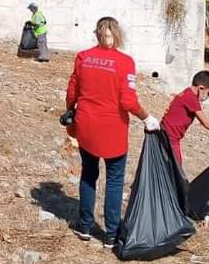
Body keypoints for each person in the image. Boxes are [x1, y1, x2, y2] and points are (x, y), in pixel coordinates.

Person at [65, 16, 159, 248]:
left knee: (88, 174)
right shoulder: (124, 62)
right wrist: (147, 118)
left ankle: (85, 226)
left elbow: (72, 91)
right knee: (114, 180)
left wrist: (70, 116)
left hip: (86, 126)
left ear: (97, 33)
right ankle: (111, 233)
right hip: (113, 131)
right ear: (117, 34)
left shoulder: (83, 57)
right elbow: (128, 101)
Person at [161, 70, 209, 170]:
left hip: (166, 134)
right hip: (170, 138)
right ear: (201, 88)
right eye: (208, 93)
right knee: (175, 170)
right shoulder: (191, 98)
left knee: (171, 169)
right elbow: (206, 123)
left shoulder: (187, 93)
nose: (207, 97)